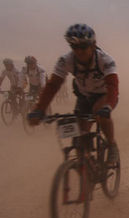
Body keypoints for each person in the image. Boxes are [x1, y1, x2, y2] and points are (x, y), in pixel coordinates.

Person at [28, 23, 120, 164]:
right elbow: (53, 86)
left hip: (104, 95)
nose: (78, 51)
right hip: (83, 96)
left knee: (99, 112)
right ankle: (86, 169)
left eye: (83, 47)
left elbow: (113, 86)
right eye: (74, 46)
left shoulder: (105, 60)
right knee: (79, 137)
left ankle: (112, 145)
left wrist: (108, 106)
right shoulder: (66, 60)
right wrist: (39, 109)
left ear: (93, 45)